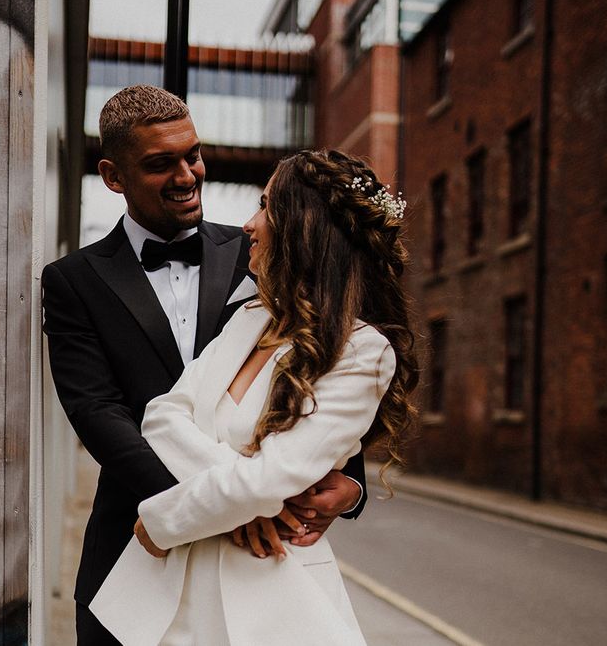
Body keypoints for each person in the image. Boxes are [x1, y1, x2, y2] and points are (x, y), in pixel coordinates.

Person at [42, 86, 367, 644]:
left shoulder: (261, 250)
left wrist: (351, 485)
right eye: (160, 164)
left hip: (261, 561)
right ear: (113, 176)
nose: (188, 175)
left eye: (192, 154)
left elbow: (330, 364)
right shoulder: (73, 281)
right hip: (134, 540)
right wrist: (228, 504)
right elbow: (98, 414)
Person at [89, 149, 420, 645]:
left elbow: (271, 478)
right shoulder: (250, 318)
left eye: (266, 207)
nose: (249, 224)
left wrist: (165, 522)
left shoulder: (363, 352)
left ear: (303, 228)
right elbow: (161, 417)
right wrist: (246, 502)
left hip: (266, 598)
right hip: (169, 601)